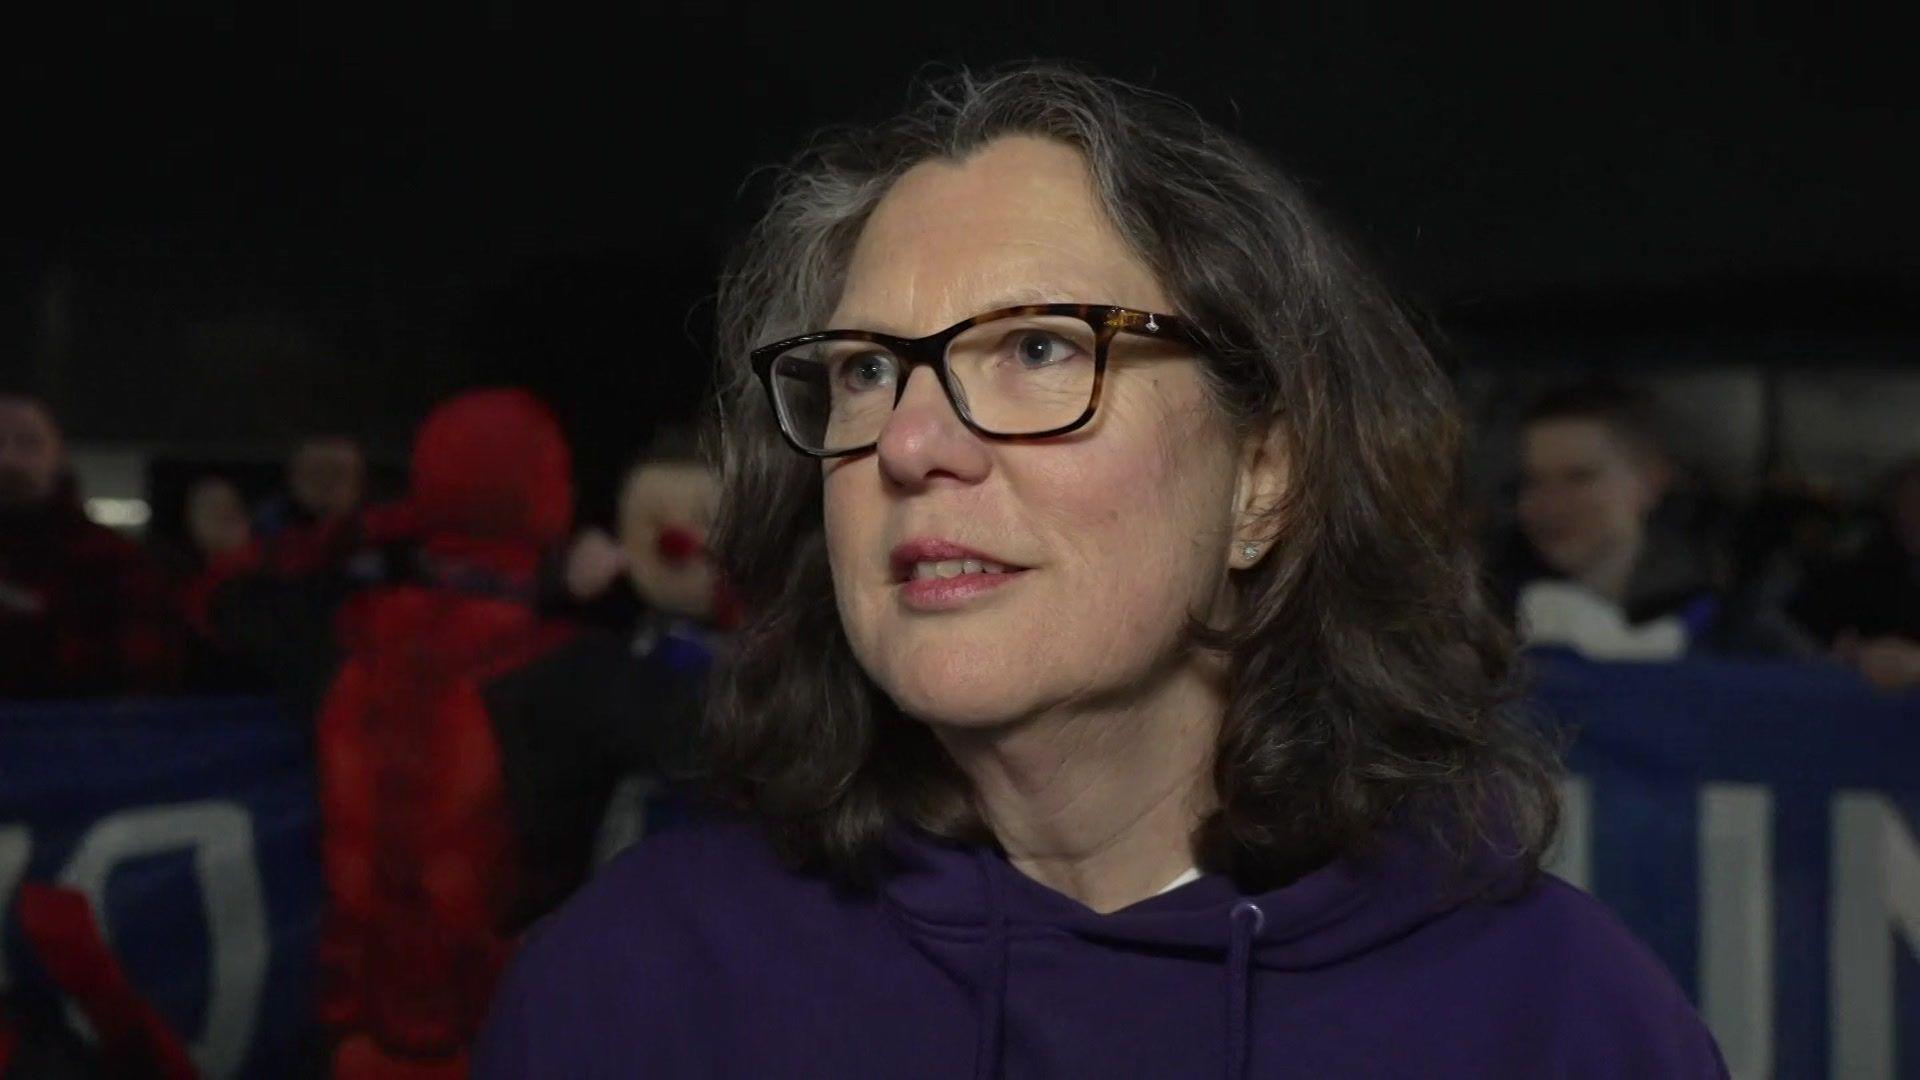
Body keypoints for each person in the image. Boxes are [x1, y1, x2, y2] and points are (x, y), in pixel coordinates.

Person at [478, 64, 1726, 1077]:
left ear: (1262, 478)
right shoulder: (632, 989)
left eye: (1036, 346)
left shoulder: (1559, 1026)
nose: (909, 443)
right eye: (863, 369)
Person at [1500, 382, 1801, 660]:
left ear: (1651, 481)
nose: (1551, 504)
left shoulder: (1736, 625)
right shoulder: (1487, 618)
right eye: (1532, 481)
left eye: (1580, 477)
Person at [0, 390, 183, 699]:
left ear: (58, 458)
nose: (8, 459)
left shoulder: (116, 562)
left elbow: (147, 675)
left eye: (28, 444)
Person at [1791, 456, 1920, 690]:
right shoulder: (1866, 565)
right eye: (1909, 500)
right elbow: (1817, 615)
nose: (1914, 511)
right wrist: (1846, 645)